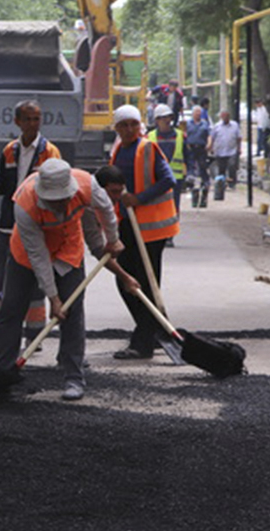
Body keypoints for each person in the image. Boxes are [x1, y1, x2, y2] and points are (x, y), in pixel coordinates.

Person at [0, 159, 137, 401]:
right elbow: (38, 256)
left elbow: (106, 211)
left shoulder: (87, 185)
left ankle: (73, 377)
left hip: (67, 250)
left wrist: (113, 239)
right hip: (26, 257)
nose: (60, 205)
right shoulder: (25, 204)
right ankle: (1, 374)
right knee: (11, 311)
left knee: (72, 312)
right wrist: (53, 298)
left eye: (63, 199)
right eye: (54, 201)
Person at [0, 100, 62, 355]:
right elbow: (3, 187)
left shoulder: (50, 152)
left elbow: (55, 191)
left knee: (35, 282)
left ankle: (34, 335)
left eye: (36, 119)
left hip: (36, 228)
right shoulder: (8, 151)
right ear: (17, 121)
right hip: (8, 226)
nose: (32, 124)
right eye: (27, 119)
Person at [109, 104, 179, 360]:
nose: (129, 129)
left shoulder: (147, 147)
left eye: (133, 124)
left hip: (151, 228)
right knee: (125, 280)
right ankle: (158, 329)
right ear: (116, 128)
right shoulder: (118, 149)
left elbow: (168, 179)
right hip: (128, 225)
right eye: (123, 125)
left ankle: (143, 343)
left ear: (140, 125)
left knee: (146, 285)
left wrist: (139, 199)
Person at [150, 104, 186, 234]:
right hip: (157, 179)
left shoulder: (180, 136)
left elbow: (187, 156)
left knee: (173, 206)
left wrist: (191, 174)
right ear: (157, 120)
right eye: (162, 118)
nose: (166, 121)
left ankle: (171, 233)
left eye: (168, 117)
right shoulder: (150, 137)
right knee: (158, 206)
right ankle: (160, 231)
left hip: (175, 178)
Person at [184, 105, 210, 205]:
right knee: (191, 166)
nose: (198, 114)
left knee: (202, 166)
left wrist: (209, 144)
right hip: (191, 148)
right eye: (196, 112)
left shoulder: (204, 123)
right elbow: (184, 134)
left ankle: (205, 183)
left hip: (201, 148)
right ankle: (191, 184)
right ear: (193, 113)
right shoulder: (188, 123)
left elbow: (208, 135)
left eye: (199, 112)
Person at [208, 108, 241, 188]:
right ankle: (222, 183)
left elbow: (238, 137)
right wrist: (211, 147)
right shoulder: (217, 126)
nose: (225, 118)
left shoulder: (235, 125)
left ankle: (232, 183)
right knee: (221, 168)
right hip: (220, 151)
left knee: (232, 165)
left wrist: (239, 148)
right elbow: (212, 137)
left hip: (231, 150)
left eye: (226, 116)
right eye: (223, 117)